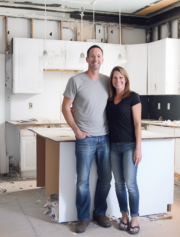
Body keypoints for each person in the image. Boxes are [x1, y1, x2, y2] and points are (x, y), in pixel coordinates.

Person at [61, 45, 112, 234]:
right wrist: (77, 131)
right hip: (85, 139)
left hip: (105, 138)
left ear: (102, 59)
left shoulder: (108, 81)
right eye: (92, 56)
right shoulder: (75, 81)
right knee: (82, 180)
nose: (95, 59)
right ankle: (83, 218)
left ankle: (99, 213)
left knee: (106, 179)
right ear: (87, 59)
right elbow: (66, 107)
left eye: (99, 56)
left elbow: (116, 104)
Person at [106, 66, 142, 235]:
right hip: (113, 146)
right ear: (112, 80)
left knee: (131, 184)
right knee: (119, 184)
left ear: (125, 79)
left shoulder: (133, 97)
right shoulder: (109, 98)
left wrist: (138, 148)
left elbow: (137, 124)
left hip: (129, 146)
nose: (117, 80)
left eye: (120, 77)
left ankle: (134, 217)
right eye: (115, 78)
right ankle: (124, 215)